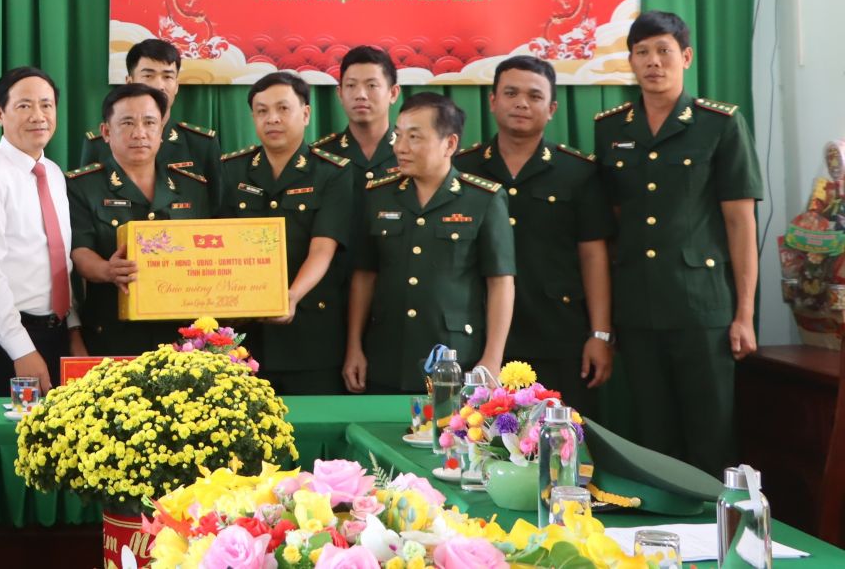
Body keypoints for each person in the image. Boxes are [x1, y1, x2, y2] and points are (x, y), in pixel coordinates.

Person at [593, 10, 761, 474]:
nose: (653, 62)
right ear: (630, 61)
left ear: (685, 57)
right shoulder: (611, 129)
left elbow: (740, 222)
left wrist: (744, 314)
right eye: (642, 52)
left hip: (701, 308)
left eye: (664, 51)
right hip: (637, 308)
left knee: (711, 433)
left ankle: (714, 516)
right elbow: (614, 221)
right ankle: (659, 520)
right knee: (652, 436)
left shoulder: (719, 124)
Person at [453, 56, 615, 413]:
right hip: (479, 338)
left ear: (552, 109)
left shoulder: (577, 171)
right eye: (510, 93)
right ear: (492, 101)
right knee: (480, 437)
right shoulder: (463, 169)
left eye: (534, 96)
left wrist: (600, 333)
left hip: (558, 334)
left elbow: (593, 255)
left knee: (561, 438)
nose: (522, 103)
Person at [344, 93, 515, 395]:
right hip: (386, 355)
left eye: (414, 137)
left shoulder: (483, 199)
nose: (400, 147)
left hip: (456, 358)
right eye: (398, 135)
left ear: (449, 144)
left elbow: (500, 282)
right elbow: (365, 275)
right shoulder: (379, 195)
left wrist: (492, 358)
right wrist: (354, 346)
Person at [217, 72, 355, 394]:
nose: (272, 119)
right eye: (262, 111)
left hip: (310, 334)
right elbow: (221, 246)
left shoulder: (332, 173)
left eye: (283, 108)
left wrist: (291, 296)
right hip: (245, 338)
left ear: (305, 114)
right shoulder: (232, 170)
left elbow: (323, 248)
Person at [0, 67, 86, 396]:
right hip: (4, 339)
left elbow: (60, 260)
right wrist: (21, 349)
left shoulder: (52, 173)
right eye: (24, 106)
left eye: (46, 105)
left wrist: (72, 329)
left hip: (55, 332)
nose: (38, 116)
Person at [68, 84, 212, 356]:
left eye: (149, 123)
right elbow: (80, 251)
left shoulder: (192, 187)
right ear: (106, 132)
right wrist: (107, 270)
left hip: (180, 338)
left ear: (161, 131)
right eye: (127, 123)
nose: (140, 133)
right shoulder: (82, 186)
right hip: (112, 333)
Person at [81, 38, 220, 186]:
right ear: (129, 83)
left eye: (167, 77)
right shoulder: (100, 143)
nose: (159, 86)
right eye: (148, 76)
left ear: (176, 86)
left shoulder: (202, 144)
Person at [312, 46, 402, 186]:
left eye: (371, 85)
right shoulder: (319, 156)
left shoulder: (414, 151)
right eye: (351, 85)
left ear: (393, 93)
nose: (361, 95)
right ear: (340, 94)